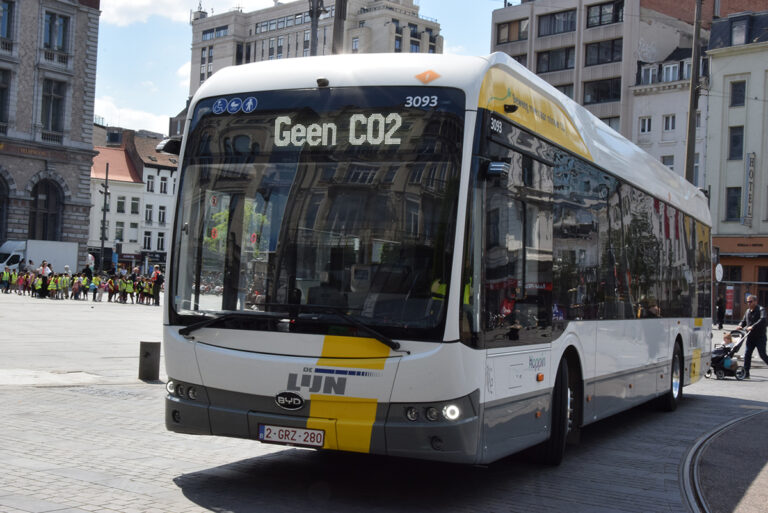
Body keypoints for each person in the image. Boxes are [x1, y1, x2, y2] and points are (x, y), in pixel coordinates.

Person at [738, 294, 768, 379]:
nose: (748, 303)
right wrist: (740, 325)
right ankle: (746, 373)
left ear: (755, 301)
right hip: (750, 337)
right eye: (747, 302)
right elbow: (744, 321)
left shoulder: (761, 309)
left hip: (760, 337)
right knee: (747, 354)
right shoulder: (747, 311)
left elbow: (762, 320)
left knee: (762, 355)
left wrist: (753, 326)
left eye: (750, 302)